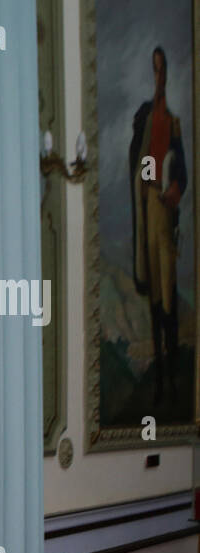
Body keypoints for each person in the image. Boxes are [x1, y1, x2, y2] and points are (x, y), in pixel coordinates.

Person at [130, 46, 187, 404]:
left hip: (165, 211)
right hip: (149, 206)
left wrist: (172, 191)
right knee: (153, 287)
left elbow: (180, 169)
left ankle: (172, 364)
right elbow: (144, 161)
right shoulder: (147, 117)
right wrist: (151, 183)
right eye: (155, 70)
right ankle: (161, 377)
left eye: (163, 69)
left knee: (168, 288)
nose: (159, 76)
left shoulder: (173, 122)